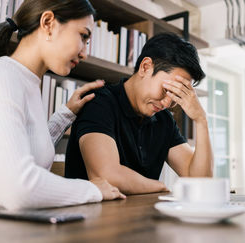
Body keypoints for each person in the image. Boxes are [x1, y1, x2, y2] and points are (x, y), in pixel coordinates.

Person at [0, 0, 125, 210]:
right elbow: (19, 188)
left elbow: (26, 150)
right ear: (48, 22)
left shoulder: (26, 83)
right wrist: (93, 189)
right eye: (83, 36)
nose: (85, 53)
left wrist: (66, 114)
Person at [65, 32, 214, 195]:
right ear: (146, 67)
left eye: (176, 95)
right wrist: (161, 187)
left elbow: (201, 180)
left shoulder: (164, 119)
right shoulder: (99, 102)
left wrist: (201, 120)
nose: (166, 103)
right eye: (166, 90)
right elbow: (107, 176)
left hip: (141, 216)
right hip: (92, 217)